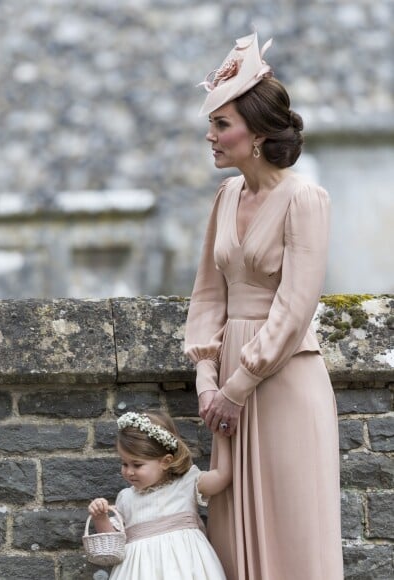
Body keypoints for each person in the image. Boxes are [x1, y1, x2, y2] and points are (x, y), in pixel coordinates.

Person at [184, 31, 343, 579]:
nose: (210, 136)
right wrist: (208, 378)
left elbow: (296, 307)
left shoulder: (305, 199)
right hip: (227, 384)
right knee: (230, 535)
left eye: (221, 125)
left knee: (296, 529)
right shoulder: (226, 197)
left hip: (282, 383)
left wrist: (237, 386)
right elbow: (208, 294)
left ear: (255, 136)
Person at [88, 411, 231, 580]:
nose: (129, 471)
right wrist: (100, 517)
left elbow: (222, 476)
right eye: (124, 463)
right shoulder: (126, 497)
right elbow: (114, 544)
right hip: (138, 571)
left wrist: (221, 436)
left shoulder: (186, 484)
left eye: (137, 464)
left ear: (166, 461)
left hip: (185, 566)